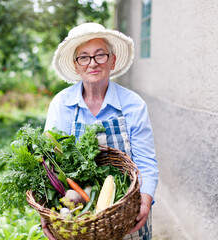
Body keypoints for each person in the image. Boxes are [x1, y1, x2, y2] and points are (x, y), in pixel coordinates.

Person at [42, 22, 159, 240]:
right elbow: (50, 162)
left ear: (112, 61)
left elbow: (145, 161)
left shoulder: (133, 104)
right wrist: (48, 210)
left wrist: (145, 200)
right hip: (78, 218)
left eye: (100, 55)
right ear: (76, 66)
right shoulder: (62, 104)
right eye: (83, 57)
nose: (92, 63)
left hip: (126, 212)